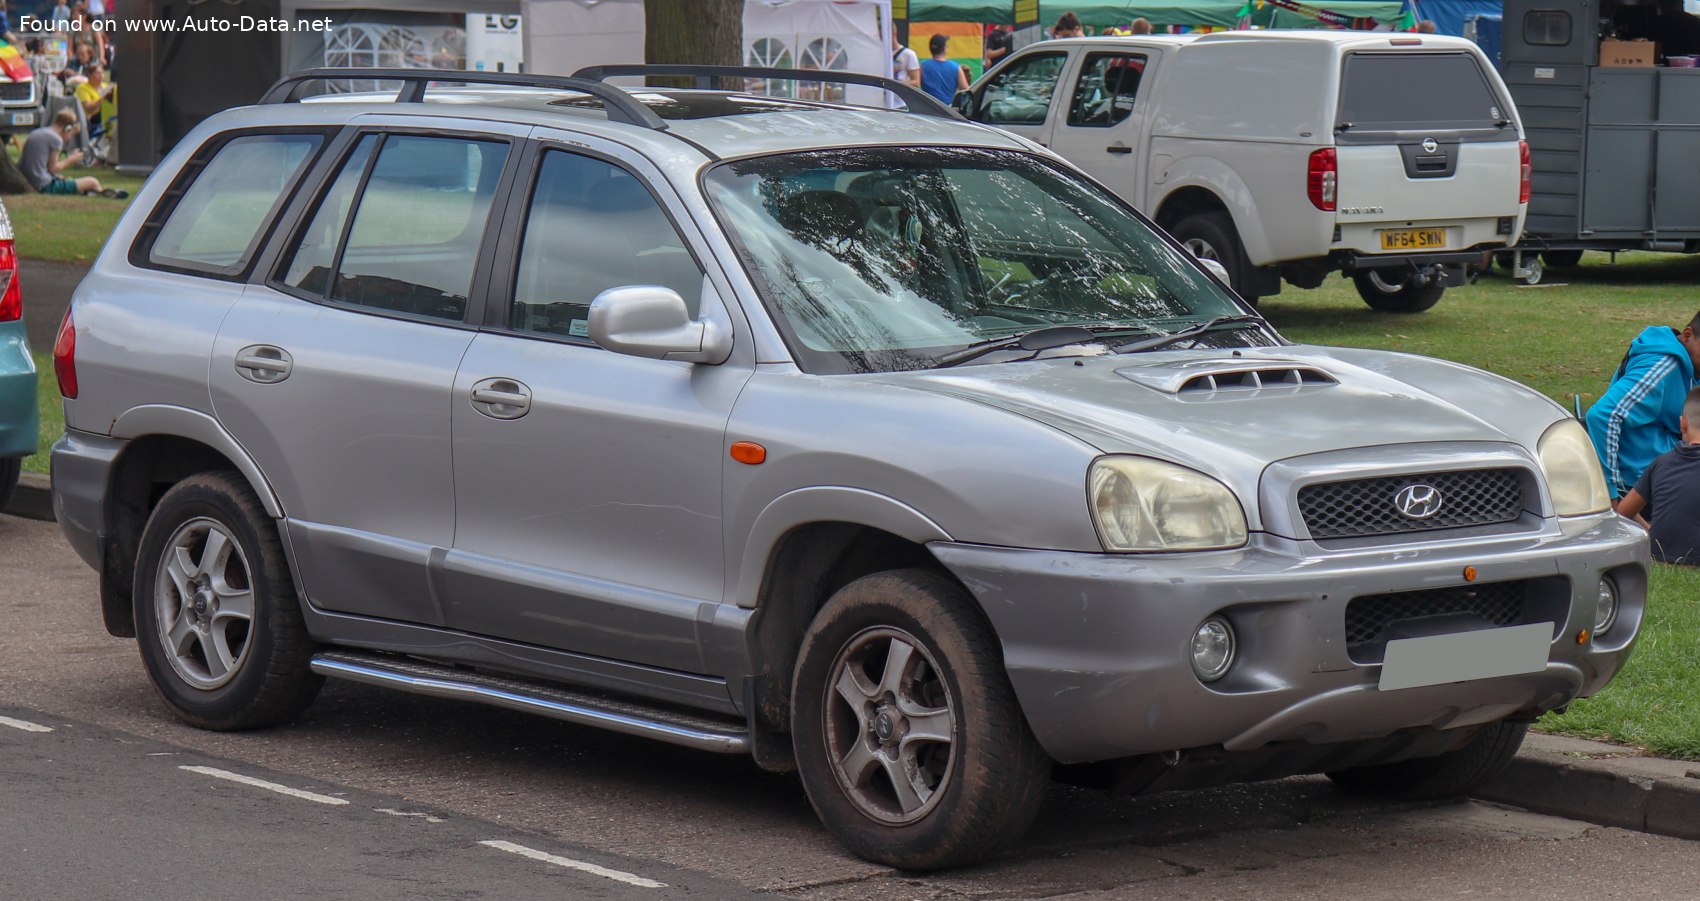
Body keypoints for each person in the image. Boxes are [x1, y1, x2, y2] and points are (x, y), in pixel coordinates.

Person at [1585, 311, 1700, 499]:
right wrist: (1611, 492)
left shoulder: (1692, 367)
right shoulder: (1661, 366)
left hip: (1670, 475)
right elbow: (1604, 415)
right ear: (1688, 335)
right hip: (1640, 485)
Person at [1615, 387, 1700, 564]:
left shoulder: (1661, 463)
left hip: (1660, 556)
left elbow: (1623, 512)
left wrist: (1650, 532)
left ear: (1683, 423)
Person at [18, 109, 122, 197]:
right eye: (71, 134)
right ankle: (102, 196)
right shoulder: (55, 139)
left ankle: (92, 193)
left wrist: (55, 176)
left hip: (29, 180)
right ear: (67, 129)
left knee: (69, 181)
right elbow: (53, 168)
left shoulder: (37, 133)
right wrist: (71, 159)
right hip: (43, 185)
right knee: (92, 181)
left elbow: (42, 166)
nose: (69, 139)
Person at [919, 33, 969, 105]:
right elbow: (965, 90)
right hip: (947, 109)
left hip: (928, 108)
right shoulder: (956, 67)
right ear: (944, 48)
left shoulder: (922, 66)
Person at [889, 31, 920, 108]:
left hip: (900, 105)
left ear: (893, 33)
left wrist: (895, 84)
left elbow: (916, 82)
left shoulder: (908, 54)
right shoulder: (878, 53)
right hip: (879, 105)